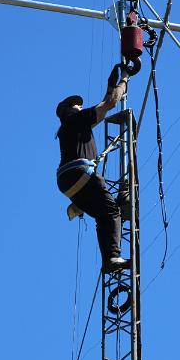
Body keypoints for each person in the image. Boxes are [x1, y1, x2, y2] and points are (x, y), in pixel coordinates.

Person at [55, 64, 133, 273]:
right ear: (67, 111)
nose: (80, 107)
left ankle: (109, 259)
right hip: (79, 173)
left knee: (104, 214)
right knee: (110, 211)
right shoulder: (74, 120)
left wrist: (110, 86)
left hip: (68, 182)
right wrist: (125, 79)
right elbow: (111, 103)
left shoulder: (73, 128)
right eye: (75, 105)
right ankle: (113, 257)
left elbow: (105, 105)